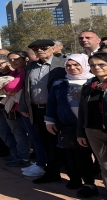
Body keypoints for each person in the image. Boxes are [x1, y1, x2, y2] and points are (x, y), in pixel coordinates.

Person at [45, 54, 97, 198]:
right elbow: (52, 103)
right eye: (68, 65)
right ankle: (82, 182)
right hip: (69, 126)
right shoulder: (59, 83)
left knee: (96, 158)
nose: (72, 68)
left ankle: (94, 182)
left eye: (76, 65)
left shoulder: (94, 81)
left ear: (84, 64)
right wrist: (49, 121)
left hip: (93, 126)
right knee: (75, 156)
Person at [18, 39, 66, 184]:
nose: (39, 50)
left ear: (53, 48)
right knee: (45, 142)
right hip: (36, 111)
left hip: (56, 111)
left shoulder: (63, 64)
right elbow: (26, 89)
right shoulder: (30, 67)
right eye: (36, 48)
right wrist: (24, 107)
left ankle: (75, 176)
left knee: (61, 143)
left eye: (43, 47)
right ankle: (52, 173)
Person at [0, 52, 36, 170]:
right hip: (12, 108)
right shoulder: (13, 72)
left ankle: (25, 158)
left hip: (24, 108)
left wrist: (6, 87)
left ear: (25, 59)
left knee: (25, 135)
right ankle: (20, 155)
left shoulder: (26, 71)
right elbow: (2, 87)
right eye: (10, 60)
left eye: (16, 59)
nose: (13, 62)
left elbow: (10, 87)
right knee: (17, 133)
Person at [78, 52, 107, 197]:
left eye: (101, 64)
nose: (96, 67)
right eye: (92, 65)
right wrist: (80, 132)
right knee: (105, 165)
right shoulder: (89, 86)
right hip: (93, 130)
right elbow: (82, 112)